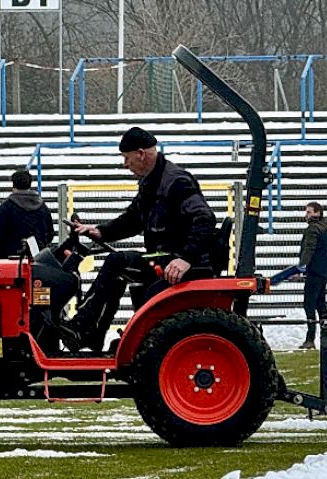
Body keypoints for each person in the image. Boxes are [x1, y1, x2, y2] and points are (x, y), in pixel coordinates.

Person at [58, 127, 218, 352]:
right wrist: (100, 232)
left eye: (126, 158)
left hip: (175, 259)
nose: (125, 164)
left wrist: (185, 258)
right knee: (118, 266)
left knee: (116, 262)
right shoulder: (152, 182)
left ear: (141, 154)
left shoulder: (176, 182)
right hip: (164, 256)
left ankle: (84, 326)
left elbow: (205, 219)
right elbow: (133, 219)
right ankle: (92, 333)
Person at [0, 169, 55, 259]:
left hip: (10, 259)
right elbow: (50, 233)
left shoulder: (7, 207)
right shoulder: (42, 207)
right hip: (38, 257)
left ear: (13, 185)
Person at [297, 202, 327, 350]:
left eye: (309, 212)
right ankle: (325, 337)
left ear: (317, 213)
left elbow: (309, 249)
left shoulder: (313, 229)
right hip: (324, 271)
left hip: (314, 272)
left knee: (309, 304)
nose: (306, 215)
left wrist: (301, 268)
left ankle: (310, 338)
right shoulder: (326, 229)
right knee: (321, 305)